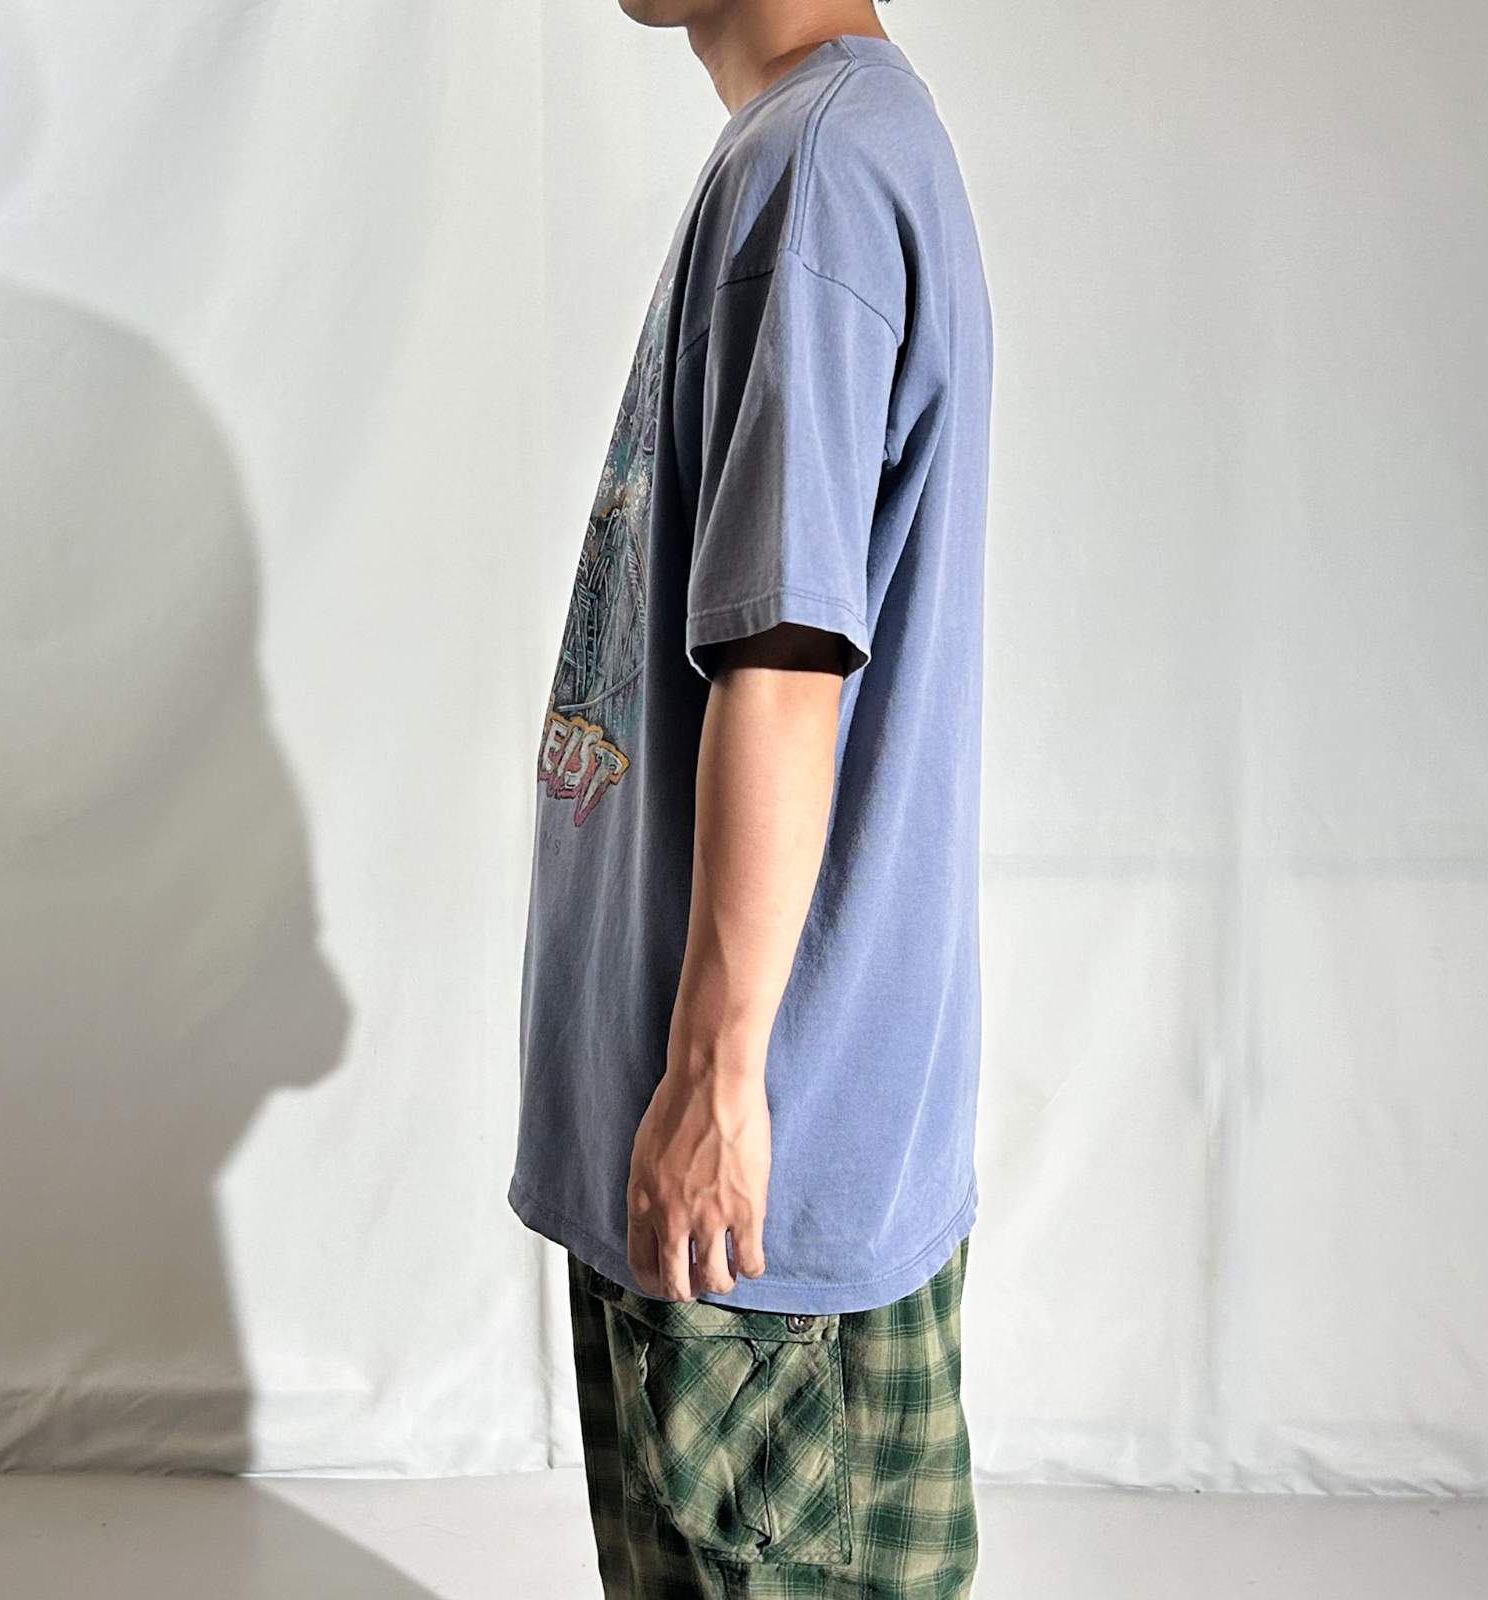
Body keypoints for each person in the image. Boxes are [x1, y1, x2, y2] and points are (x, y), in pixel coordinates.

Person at [508, 1, 993, 1592]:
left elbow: (787, 662)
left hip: (753, 1176)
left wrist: (716, 1079)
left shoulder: (821, 174)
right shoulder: (815, 148)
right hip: (741, 1156)